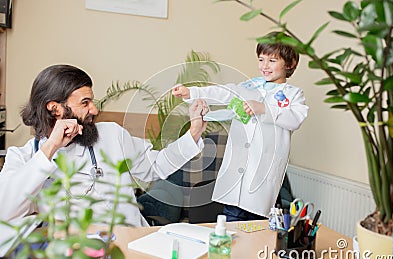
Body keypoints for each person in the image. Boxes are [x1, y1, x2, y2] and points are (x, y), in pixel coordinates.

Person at [0, 64, 209, 227]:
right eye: (85, 103)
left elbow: (155, 166)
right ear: (55, 109)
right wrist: (51, 146)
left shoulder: (111, 134)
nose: (94, 109)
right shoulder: (23, 156)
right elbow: (7, 211)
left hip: (130, 239)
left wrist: (193, 133)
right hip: (77, 253)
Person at [173, 32, 309, 221]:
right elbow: (223, 92)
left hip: (261, 179)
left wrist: (263, 108)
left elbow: (295, 118)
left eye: (272, 60)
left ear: (290, 63)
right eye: (261, 59)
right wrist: (192, 92)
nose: (264, 66)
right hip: (234, 178)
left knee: (253, 228)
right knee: (231, 224)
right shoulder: (249, 87)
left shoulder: (294, 94)